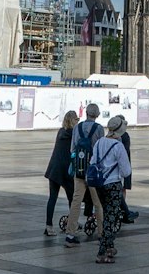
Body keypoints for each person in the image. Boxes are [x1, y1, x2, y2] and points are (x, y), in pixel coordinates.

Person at [87, 116, 134, 264]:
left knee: (107, 213)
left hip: (99, 184)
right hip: (113, 185)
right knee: (110, 218)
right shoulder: (118, 146)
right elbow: (126, 171)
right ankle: (101, 253)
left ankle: (110, 247)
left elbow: (92, 161)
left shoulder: (99, 142)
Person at [62, 103, 103, 246]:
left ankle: (70, 234)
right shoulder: (99, 128)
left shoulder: (77, 128)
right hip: (93, 171)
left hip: (79, 170)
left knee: (76, 201)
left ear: (86, 113)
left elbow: (72, 149)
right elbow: (100, 151)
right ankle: (101, 234)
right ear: (97, 115)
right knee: (98, 203)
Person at [44, 110, 78, 236]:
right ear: (73, 120)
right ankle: (72, 223)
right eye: (76, 119)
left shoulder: (61, 131)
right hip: (65, 171)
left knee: (52, 198)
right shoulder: (73, 134)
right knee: (72, 198)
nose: (77, 122)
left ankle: (48, 226)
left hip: (53, 169)